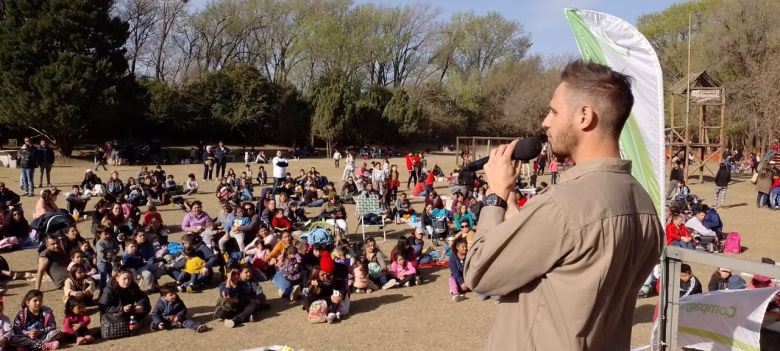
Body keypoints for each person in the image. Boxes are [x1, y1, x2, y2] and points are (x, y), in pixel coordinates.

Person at [463, 60, 663, 350]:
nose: (546, 122)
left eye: (554, 111)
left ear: (584, 116)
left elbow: (478, 272)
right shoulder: (644, 206)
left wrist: (493, 196)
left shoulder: (563, 204)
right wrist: (512, 205)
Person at [98, 269, 151, 337]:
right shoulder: (108, 289)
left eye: (129, 279)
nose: (127, 281)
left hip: (128, 311)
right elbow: (103, 308)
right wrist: (121, 309)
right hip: (113, 316)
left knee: (147, 307)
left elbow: (143, 297)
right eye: (124, 279)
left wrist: (141, 305)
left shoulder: (133, 286)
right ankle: (135, 323)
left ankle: (134, 321)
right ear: (117, 278)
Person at [449, 238, 471, 302]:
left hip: (468, 278)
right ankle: (456, 294)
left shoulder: (469, 256)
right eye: (463, 247)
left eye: (466, 246)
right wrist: (461, 282)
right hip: (459, 280)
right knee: (451, 279)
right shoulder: (452, 258)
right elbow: (455, 272)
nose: (465, 248)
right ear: (457, 247)